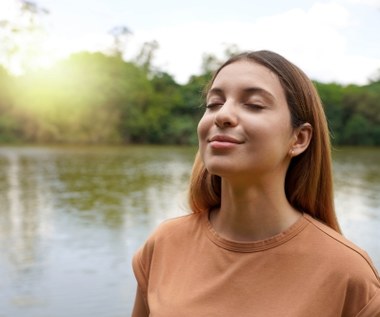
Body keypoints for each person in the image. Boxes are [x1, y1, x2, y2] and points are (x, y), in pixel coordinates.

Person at [131, 50, 380, 316]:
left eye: (254, 104)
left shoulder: (349, 274)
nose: (222, 115)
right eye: (214, 103)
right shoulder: (164, 244)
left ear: (299, 139)